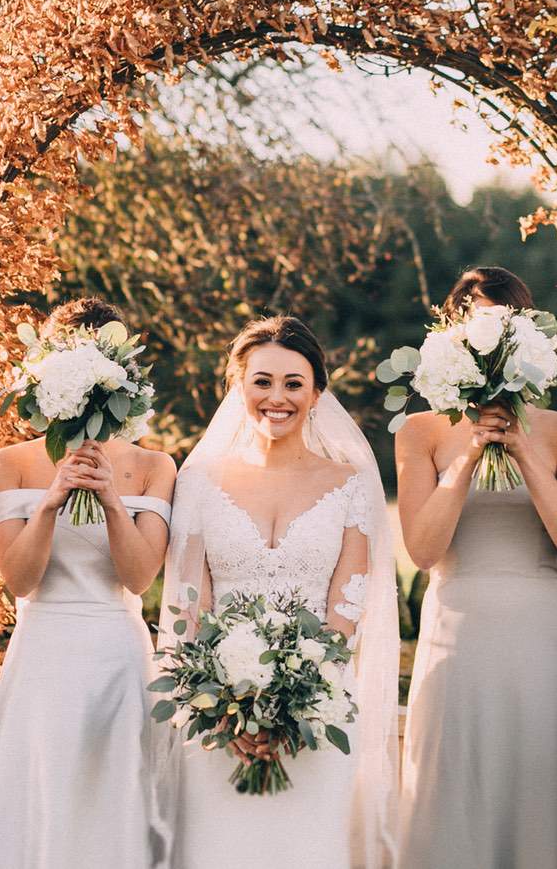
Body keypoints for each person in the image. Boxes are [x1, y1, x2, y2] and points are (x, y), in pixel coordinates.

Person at [156, 315, 399, 869]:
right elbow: (189, 605)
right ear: (238, 386)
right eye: (262, 381)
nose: (277, 397)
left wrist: (298, 704)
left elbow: (347, 605)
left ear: (316, 393)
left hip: (319, 709)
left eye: (294, 383)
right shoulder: (199, 480)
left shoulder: (349, 482)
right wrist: (219, 706)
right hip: (218, 718)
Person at [0, 297, 177, 869]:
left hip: (118, 654)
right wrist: (52, 501)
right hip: (42, 655)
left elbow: (138, 578)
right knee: (40, 800)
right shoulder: (8, 462)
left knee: (113, 806)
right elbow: (19, 580)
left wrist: (111, 500)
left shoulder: (156, 466)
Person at [394, 265, 557, 869]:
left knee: (538, 775)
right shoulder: (421, 430)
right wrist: (472, 452)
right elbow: (424, 551)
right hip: (458, 620)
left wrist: (525, 451)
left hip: (537, 626)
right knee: (451, 776)